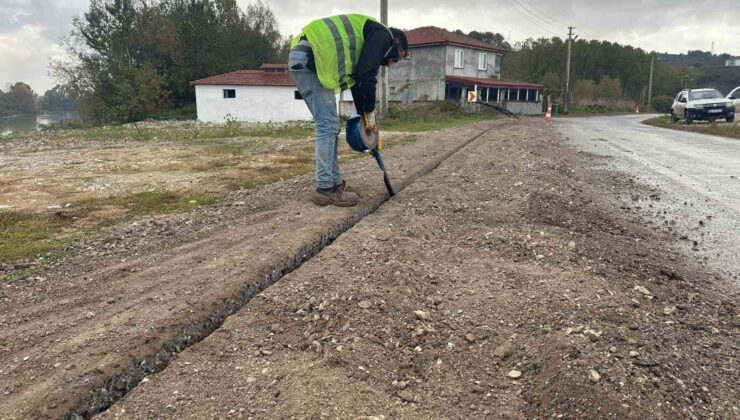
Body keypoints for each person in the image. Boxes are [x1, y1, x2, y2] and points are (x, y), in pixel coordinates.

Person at [288, 14, 408, 207]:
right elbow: (367, 75)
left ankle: (334, 183)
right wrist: (369, 114)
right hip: (312, 58)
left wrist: (364, 116)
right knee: (327, 125)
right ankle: (325, 189)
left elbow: (358, 80)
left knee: (330, 125)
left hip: (306, 57)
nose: (389, 63)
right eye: (396, 58)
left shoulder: (366, 39)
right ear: (397, 44)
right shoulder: (383, 35)